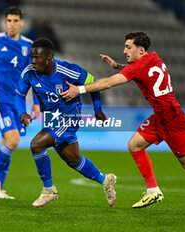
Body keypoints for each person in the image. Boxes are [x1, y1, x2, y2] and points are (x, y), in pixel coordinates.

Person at [61, 31, 185, 208]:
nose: (124, 51)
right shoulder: (153, 58)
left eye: (128, 47)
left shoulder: (139, 66)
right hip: (162, 116)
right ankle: (153, 190)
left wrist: (80, 90)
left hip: (172, 119)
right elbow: (141, 71)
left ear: (141, 50)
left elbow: (108, 83)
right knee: (134, 145)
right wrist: (118, 66)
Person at [16, 38, 117, 207]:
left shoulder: (68, 71)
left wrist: (97, 109)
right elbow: (19, 94)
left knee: (36, 145)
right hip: (51, 119)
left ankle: (49, 190)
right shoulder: (29, 72)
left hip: (70, 116)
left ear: (49, 58)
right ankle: (105, 180)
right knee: (72, 160)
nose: (33, 61)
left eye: (37, 57)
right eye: (32, 57)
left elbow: (93, 83)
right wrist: (22, 112)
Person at [0, 6, 40, 199]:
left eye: (16, 21)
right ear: (4, 22)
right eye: (9, 21)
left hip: (19, 104)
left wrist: (37, 103)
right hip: (0, 100)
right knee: (12, 139)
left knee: (9, 142)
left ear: (22, 23)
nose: (12, 24)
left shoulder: (29, 45)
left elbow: (35, 77)